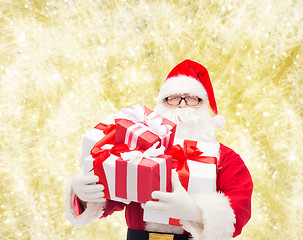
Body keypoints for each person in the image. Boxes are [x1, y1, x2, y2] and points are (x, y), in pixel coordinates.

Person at [65, 59, 253, 240]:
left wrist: (193, 211)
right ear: (161, 106)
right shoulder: (137, 150)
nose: (181, 105)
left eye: (191, 99)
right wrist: (83, 194)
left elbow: (239, 209)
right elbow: (113, 194)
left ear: (204, 106)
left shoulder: (226, 158)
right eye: (173, 98)